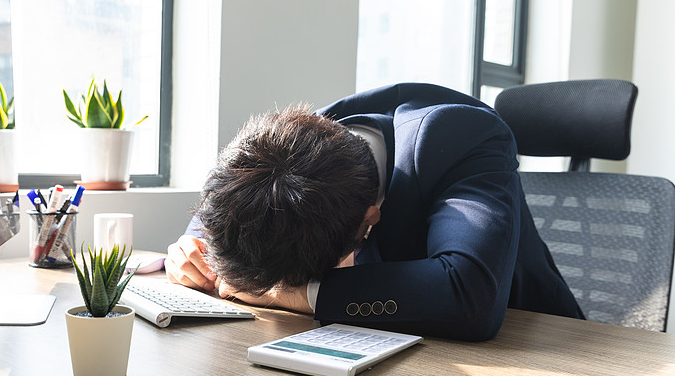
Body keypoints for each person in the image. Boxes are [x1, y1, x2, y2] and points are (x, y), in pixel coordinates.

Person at [165, 83, 583, 341]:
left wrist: (288, 293)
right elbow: (224, 200)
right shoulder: (292, 142)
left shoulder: (459, 136)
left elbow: (468, 293)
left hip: (542, 350)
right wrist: (195, 245)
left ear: (369, 222)